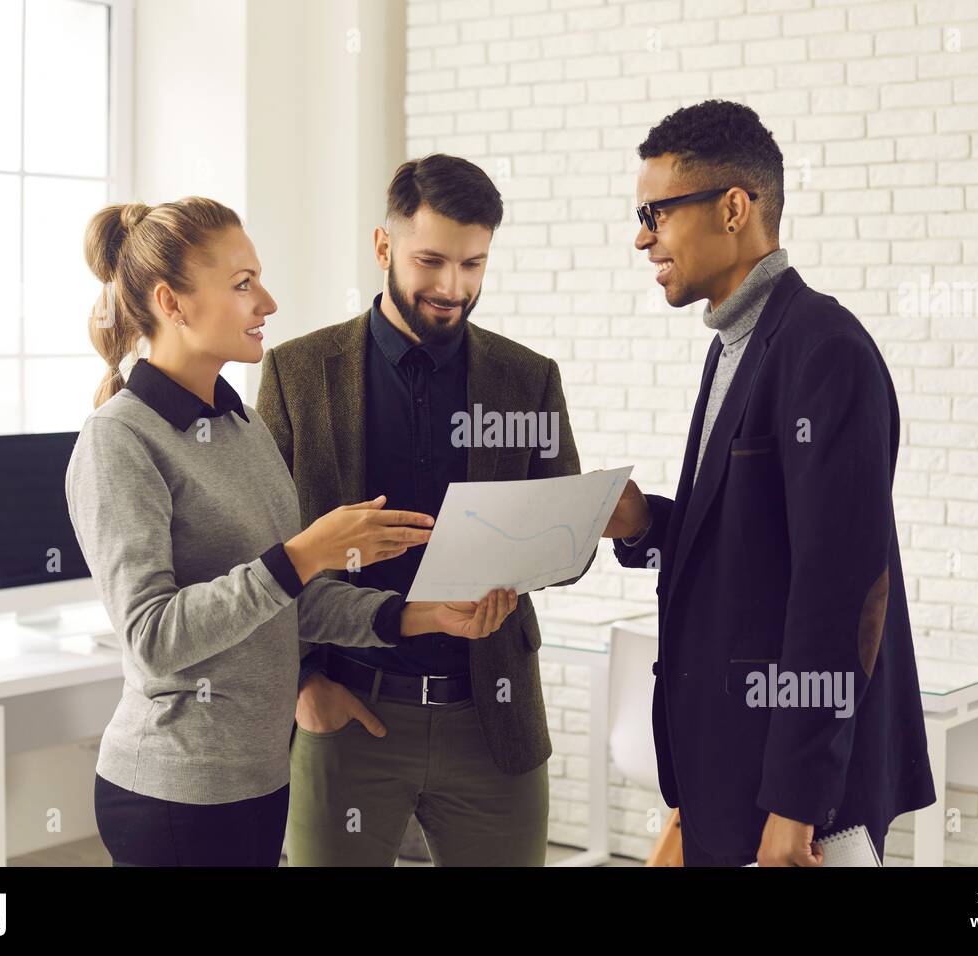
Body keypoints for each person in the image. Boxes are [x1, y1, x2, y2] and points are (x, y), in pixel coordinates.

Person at [65, 196, 516, 866]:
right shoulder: (120, 441)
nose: (267, 302)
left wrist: (418, 617)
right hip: (172, 794)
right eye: (242, 284)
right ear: (173, 302)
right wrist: (304, 553)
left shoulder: (242, 426)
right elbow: (154, 638)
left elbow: (290, 603)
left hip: (260, 780)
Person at [603, 101, 936, 866]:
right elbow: (751, 548)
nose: (641, 235)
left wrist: (796, 804)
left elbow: (841, 594)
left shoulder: (825, 351)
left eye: (656, 211)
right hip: (734, 778)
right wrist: (644, 524)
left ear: (732, 208)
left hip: (801, 808)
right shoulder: (734, 343)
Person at [257, 155, 589, 866]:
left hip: (491, 716)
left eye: (473, 264)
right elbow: (264, 556)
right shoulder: (296, 374)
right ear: (383, 248)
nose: (452, 287)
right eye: (431, 261)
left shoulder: (527, 379)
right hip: (345, 713)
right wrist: (303, 686)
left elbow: (570, 545)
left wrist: (569, 537)